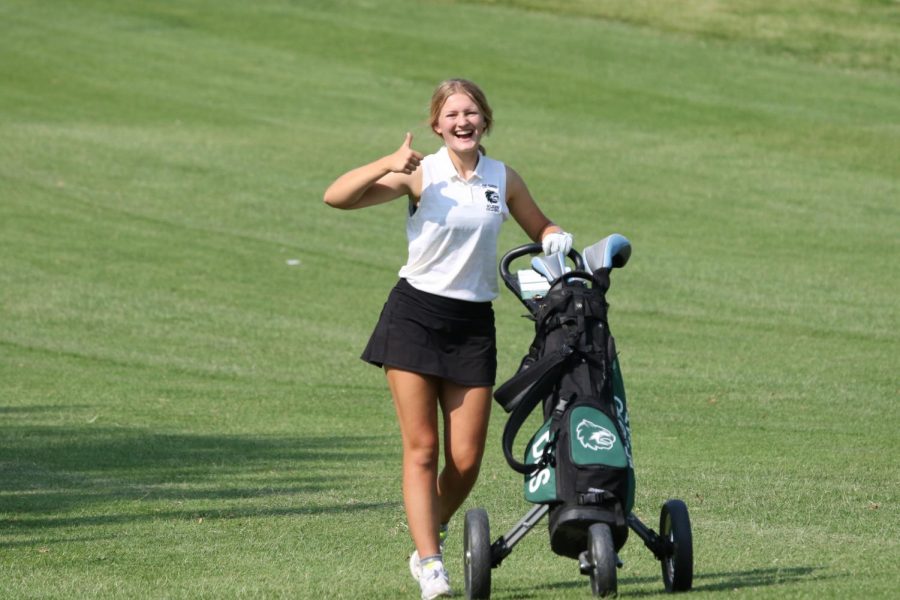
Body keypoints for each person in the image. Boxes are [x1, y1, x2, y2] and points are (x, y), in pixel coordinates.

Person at [323, 78, 573, 600]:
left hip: (472, 327)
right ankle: (432, 564)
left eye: (472, 112)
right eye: (452, 114)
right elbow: (336, 198)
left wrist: (553, 237)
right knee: (422, 448)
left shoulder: (503, 178)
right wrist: (389, 162)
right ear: (437, 125)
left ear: (485, 121)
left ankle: (422, 539)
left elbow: (539, 225)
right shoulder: (422, 174)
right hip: (414, 316)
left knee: (465, 461)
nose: (463, 121)